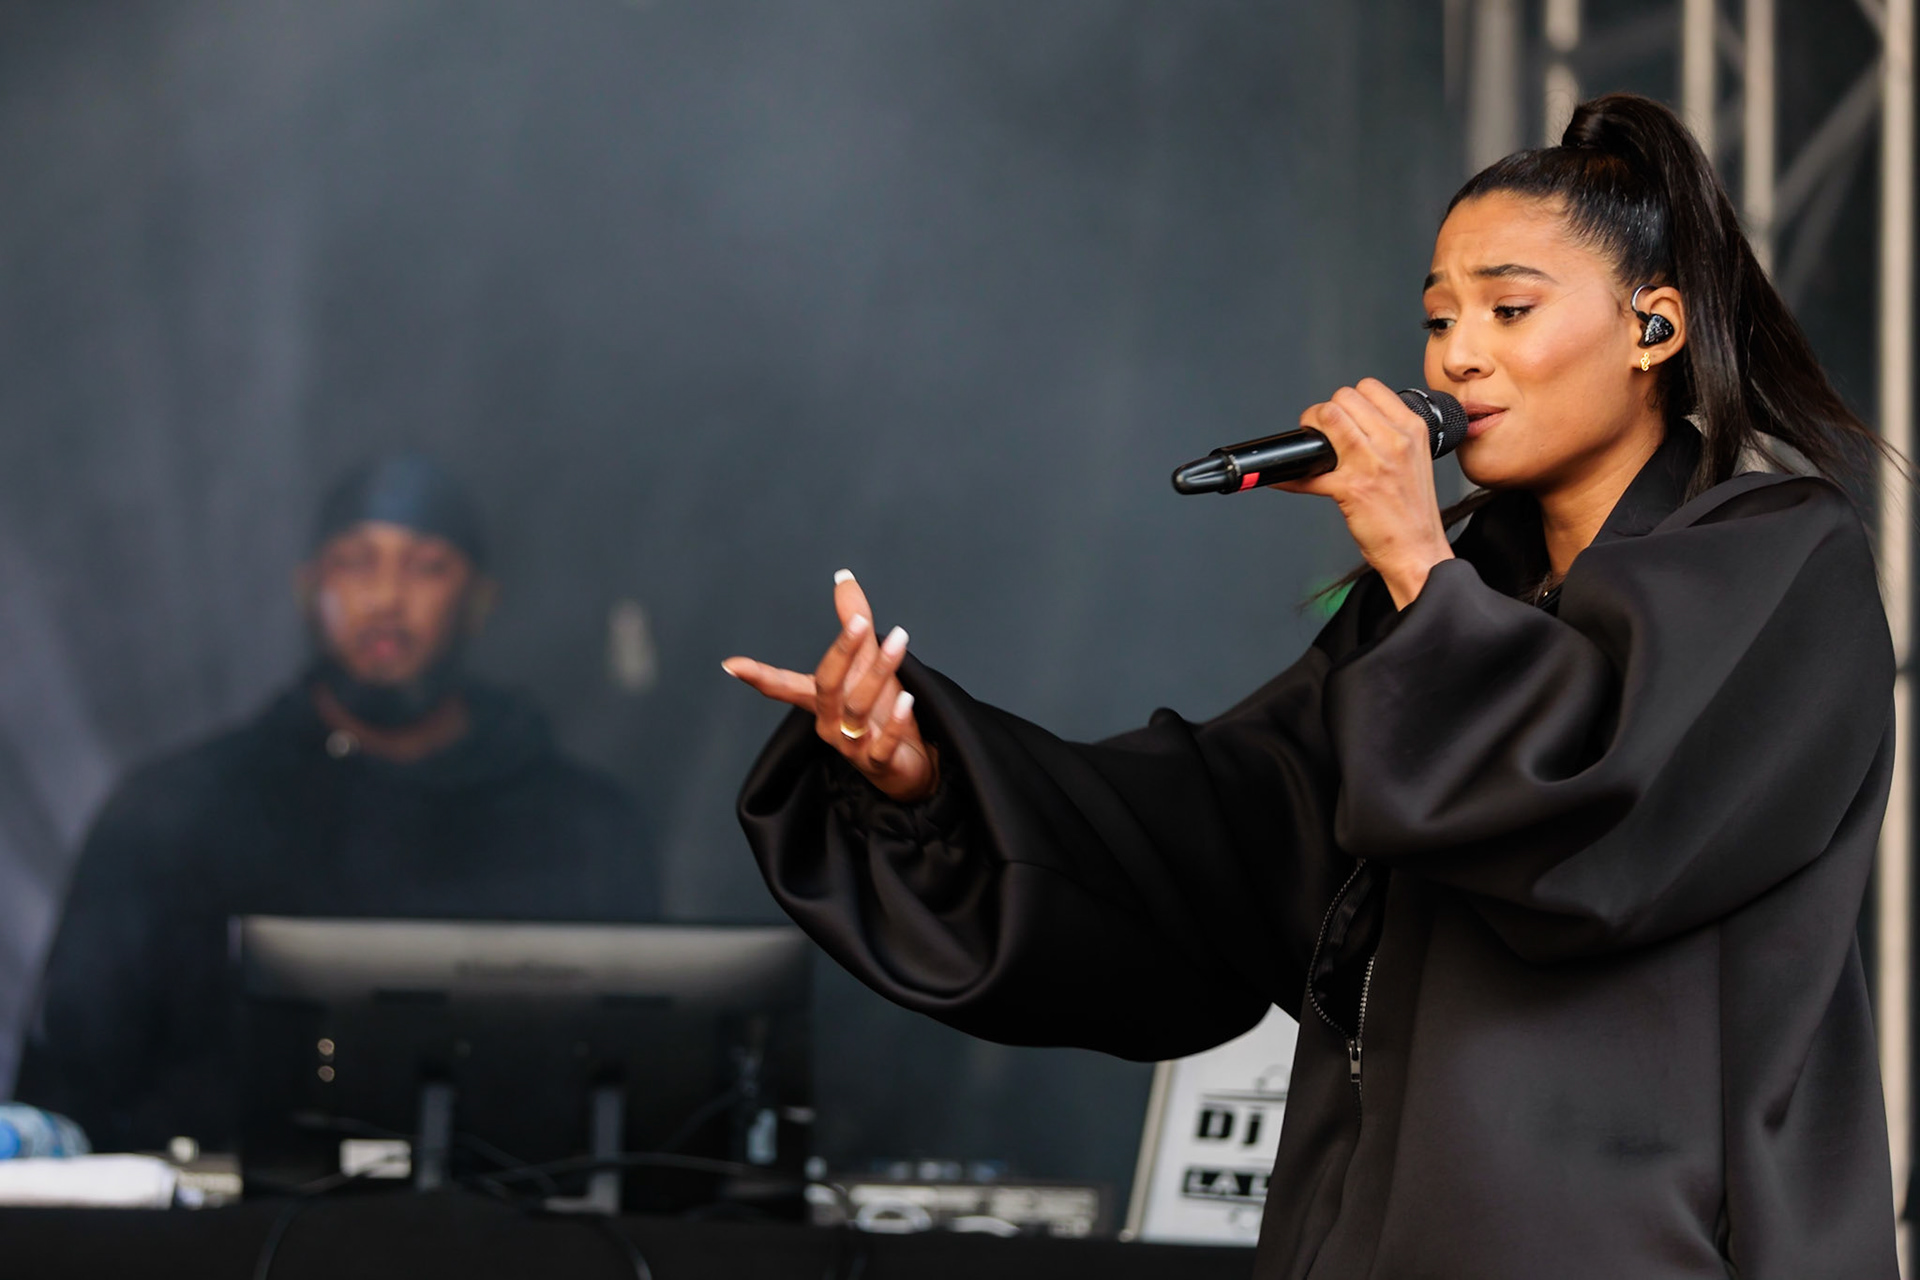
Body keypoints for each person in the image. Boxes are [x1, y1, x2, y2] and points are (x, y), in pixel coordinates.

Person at [723, 94, 1899, 1278]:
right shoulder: (1449, 593)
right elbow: (1224, 829)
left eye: (1509, 308)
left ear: (1653, 330)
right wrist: (924, 770)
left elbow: (1593, 829)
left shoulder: (1777, 562)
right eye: (1439, 319)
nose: (1457, 356)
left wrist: (1411, 554)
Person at [16, 454, 659, 1154]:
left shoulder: (580, 825)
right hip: (216, 1249)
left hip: (504, 1243)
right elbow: (66, 1096)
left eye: (426, 566)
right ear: (309, 587)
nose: (386, 597)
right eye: (357, 562)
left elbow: (651, 1091)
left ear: (479, 599)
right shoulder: (176, 813)